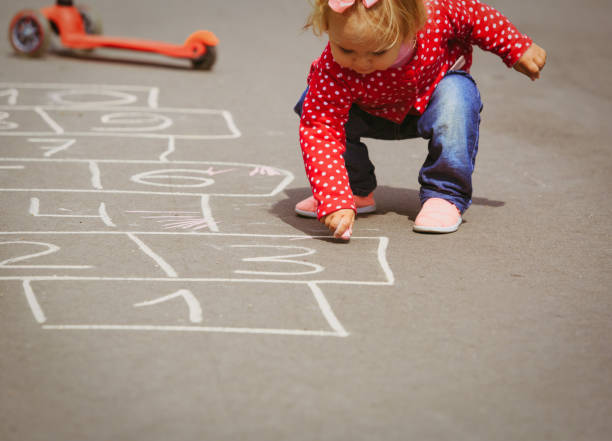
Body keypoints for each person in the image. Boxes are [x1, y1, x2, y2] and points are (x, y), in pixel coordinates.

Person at [294, 0, 546, 238]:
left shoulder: (435, 14)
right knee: (314, 105)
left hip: (431, 103)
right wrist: (334, 197)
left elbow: (475, 17)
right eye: (346, 49)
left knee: (458, 95)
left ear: (411, 26)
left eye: (378, 51)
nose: (360, 62)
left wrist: (516, 47)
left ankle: (444, 194)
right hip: (367, 112)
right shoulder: (333, 70)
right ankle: (350, 187)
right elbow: (321, 130)